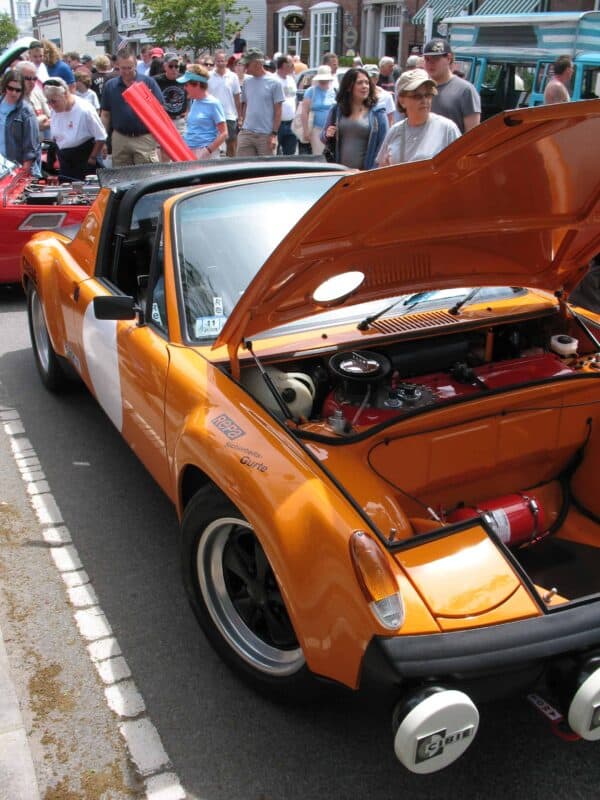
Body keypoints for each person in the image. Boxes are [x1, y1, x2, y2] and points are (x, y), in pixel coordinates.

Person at [376, 69, 460, 167]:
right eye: (417, 96)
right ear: (402, 101)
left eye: (428, 95)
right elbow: (381, 168)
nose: (424, 100)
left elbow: (462, 166)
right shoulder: (394, 131)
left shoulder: (447, 129)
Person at [100, 48, 164, 166]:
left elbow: (160, 110)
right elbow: (105, 115)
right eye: (123, 68)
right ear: (117, 65)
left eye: (129, 68)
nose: (126, 72)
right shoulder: (110, 86)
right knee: (121, 174)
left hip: (144, 137)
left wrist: (158, 137)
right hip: (120, 138)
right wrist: (102, 139)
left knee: (146, 173)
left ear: (135, 65)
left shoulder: (148, 82)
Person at [321, 67, 388, 170]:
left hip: (366, 173)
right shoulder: (337, 110)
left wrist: (373, 170)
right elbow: (323, 137)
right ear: (348, 87)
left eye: (367, 83)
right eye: (360, 83)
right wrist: (327, 134)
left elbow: (384, 144)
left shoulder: (378, 112)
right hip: (340, 172)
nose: (365, 86)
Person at [44, 77, 106, 179]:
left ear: (65, 94)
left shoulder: (85, 110)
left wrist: (92, 158)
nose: (51, 105)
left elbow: (101, 137)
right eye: (48, 102)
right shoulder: (55, 111)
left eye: (54, 101)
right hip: (65, 160)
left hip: (84, 157)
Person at [422, 38, 480, 133]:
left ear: (448, 58)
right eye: (427, 59)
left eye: (435, 59)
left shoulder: (465, 90)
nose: (430, 63)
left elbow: (473, 133)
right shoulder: (421, 88)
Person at [237, 49, 284, 157]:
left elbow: (278, 110)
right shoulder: (247, 82)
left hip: (266, 135)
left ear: (257, 63)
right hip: (247, 133)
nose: (245, 67)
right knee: (242, 165)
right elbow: (245, 104)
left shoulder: (275, 82)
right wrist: (242, 126)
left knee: (266, 167)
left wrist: (274, 134)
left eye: (247, 64)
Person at [176, 65, 227, 159]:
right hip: (189, 151)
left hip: (206, 155)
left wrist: (207, 151)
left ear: (197, 84)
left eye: (186, 85)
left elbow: (224, 133)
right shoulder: (194, 101)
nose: (184, 88)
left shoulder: (213, 103)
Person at [0, 70, 40, 175]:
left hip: (17, 169)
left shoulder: (26, 112)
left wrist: (23, 173)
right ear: (5, 86)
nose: (14, 93)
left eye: (18, 90)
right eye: (10, 88)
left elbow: (31, 147)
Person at [208, 50, 242, 157]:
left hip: (229, 115)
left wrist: (240, 117)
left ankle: (231, 164)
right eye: (218, 61)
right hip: (212, 115)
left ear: (226, 62)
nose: (220, 63)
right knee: (213, 143)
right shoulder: (208, 76)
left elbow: (237, 98)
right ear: (215, 62)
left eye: (222, 61)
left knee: (231, 143)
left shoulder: (233, 76)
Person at [301, 65, 336, 155]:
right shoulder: (311, 91)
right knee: (319, 155)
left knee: (332, 155)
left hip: (332, 130)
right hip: (317, 129)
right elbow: (304, 112)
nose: (323, 81)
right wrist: (306, 131)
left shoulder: (334, 91)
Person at [15, 60, 51, 140]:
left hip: (41, 143)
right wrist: (37, 122)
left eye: (34, 78)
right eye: (27, 78)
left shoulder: (38, 93)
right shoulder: (12, 98)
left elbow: (50, 118)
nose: (32, 82)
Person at [155, 52, 187, 135]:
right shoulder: (156, 80)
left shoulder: (184, 79)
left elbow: (190, 97)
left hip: (180, 121)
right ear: (165, 67)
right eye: (171, 66)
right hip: (164, 120)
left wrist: (188, 112)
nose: (174, 69)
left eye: (176, 66)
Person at [275, 54, 297, 155]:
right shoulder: (273, 80)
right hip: (277, 124)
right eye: (291, 64)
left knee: (290, 154)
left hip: (292, 123)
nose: (293, 66)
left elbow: (294, 98)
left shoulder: (291, 79)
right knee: (275, 154)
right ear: (284, 65)